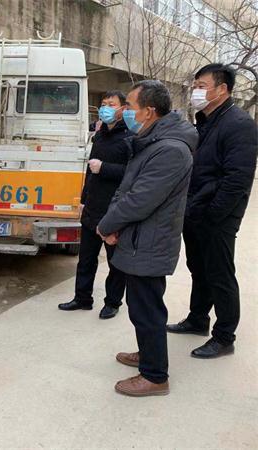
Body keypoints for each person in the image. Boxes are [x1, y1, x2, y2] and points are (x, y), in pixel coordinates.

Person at [97, 80, 197, 397]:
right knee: (140, 306)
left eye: (130, 106)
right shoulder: (152, 142)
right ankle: (148, 354)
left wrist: (106, 224)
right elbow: (128, 188)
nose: (125, 111)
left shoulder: (170, 150)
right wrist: (113, 223)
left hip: (150, 241)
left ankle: (155, 376)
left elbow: (139, 199)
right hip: (139, 237)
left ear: (149, 111)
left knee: (147, 309)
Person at [167, 64, 258, 358]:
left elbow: (237, 179)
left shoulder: (239, 124)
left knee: (220, 274)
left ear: (222, 89)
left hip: (217, 217)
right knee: (199, 269)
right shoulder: (205, 121)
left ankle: (224, 337)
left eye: (202, 86)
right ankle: (197, 319)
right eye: (195, 85)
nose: (196, 91)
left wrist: (213, 214)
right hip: (195, 210)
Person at [59, 91, 129, 319]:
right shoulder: (99, 135)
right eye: (103, 104)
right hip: (92, 206)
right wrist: (83, 199)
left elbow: (132, 173)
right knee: (86, 259)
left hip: (114, 209)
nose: (106, 108)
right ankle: (82, 298)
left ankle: (112, 302)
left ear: (123, 109)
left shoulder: (130, 137)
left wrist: (105, 168)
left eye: (111, 104)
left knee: (115, 261)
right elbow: (90, 171)